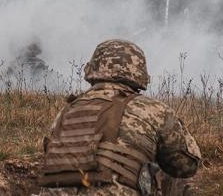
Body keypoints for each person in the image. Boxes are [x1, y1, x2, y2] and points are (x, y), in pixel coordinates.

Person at [38, 39, 201, 196]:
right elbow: (186, 165)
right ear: (139, 72)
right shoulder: (154, 110)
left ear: (92, 68)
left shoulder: (66, 111)